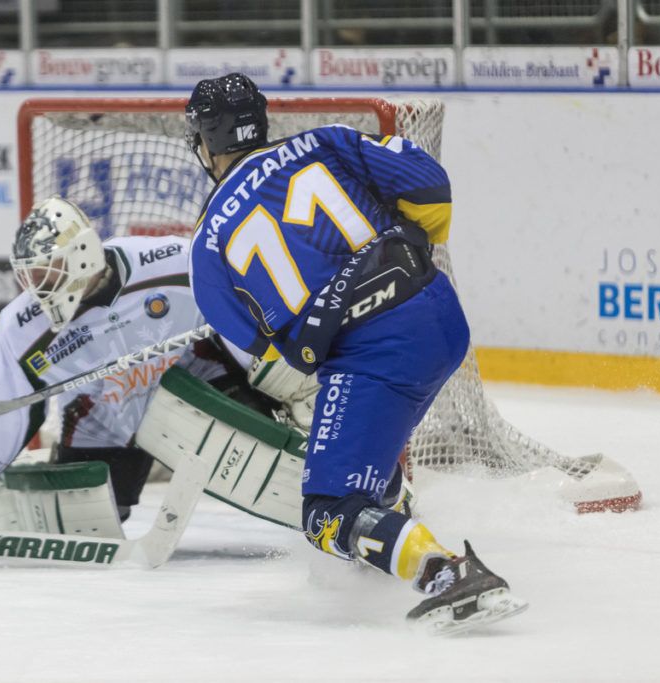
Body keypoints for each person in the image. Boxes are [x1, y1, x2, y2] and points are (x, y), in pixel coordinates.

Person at [185, 73, 526, 632]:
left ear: (207, 141)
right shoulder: (326, 141)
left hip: (378, 359)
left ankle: (443, 572)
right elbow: (431, 191)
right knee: (363, 452)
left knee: (324, 513)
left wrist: (330, 324)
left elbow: (273, 351)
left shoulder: (206, 247)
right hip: (441, 314)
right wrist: (395, 260)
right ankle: (388, 520)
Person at [0, 195, 261, 521]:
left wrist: (273, 379)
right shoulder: (21, 327)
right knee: (92, 515)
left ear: (81, 254)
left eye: (48, 272)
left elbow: (246, 308)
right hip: (106, 418)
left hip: (199, 390)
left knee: (256, 437)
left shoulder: (174, 262)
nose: (39, 287)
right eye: (32, 277)